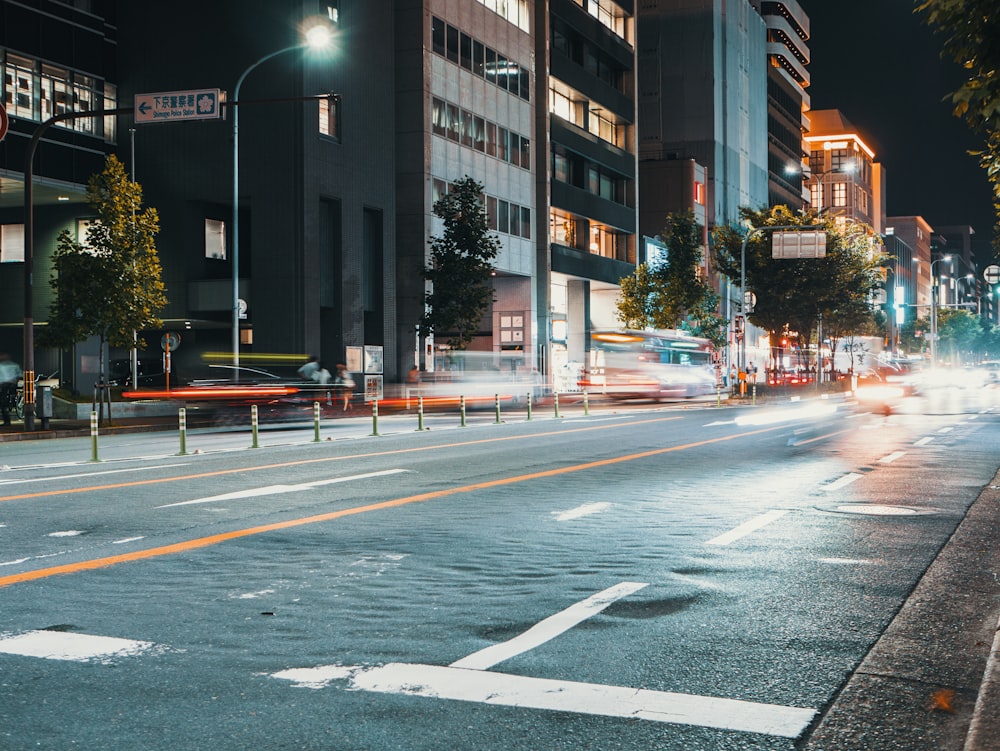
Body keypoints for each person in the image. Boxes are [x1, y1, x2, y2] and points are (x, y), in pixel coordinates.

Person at [0, 352, 22, 426]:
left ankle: (7, 421)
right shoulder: (14, 365)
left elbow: (19, 376)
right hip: (8, 386)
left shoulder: (14, 366)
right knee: (4, 404)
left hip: (7, 386)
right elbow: (19, 376)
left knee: (4, 404)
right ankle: (7, 421)